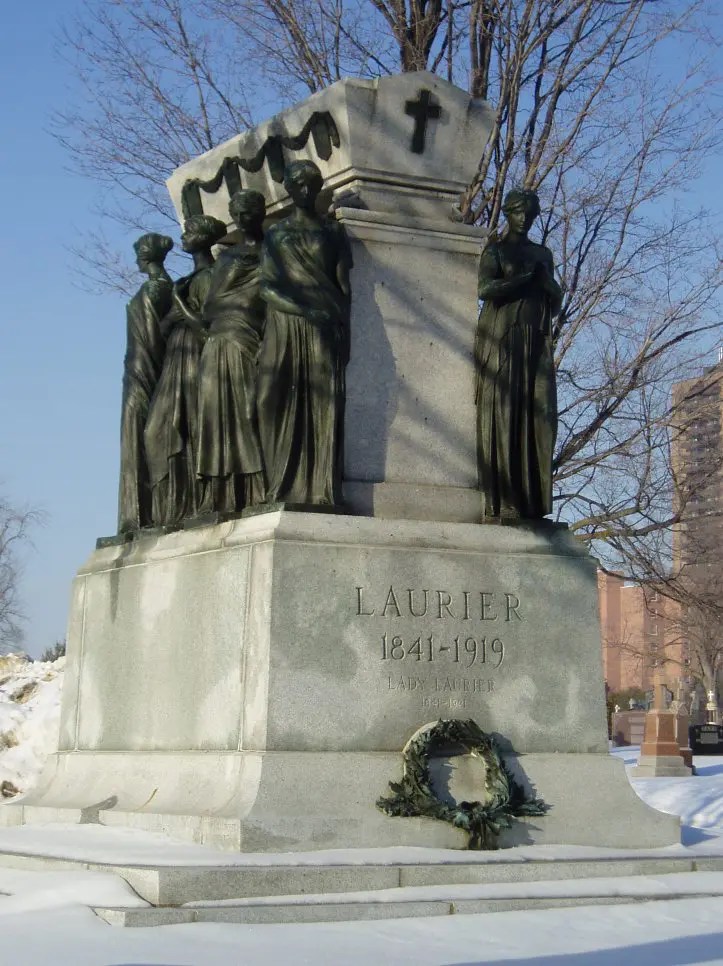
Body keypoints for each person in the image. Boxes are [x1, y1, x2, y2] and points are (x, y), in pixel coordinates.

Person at [258, 160, 352, 506]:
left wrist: (343, 326)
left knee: (322, 402)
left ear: (317, 188)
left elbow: (344, 285)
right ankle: (281, 484)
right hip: (286, 324)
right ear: (290, 190)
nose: (303, 189)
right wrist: (300, 309)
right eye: (297, 183)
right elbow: (266, 286)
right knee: (272, 400)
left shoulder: (332, 232)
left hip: (324, 323)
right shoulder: (276, 234)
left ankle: (320, 489)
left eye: (310, 183)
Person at [475, 188, 562, 520]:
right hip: (504, 339)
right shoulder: (496, 252)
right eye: (518, 212)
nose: (524, 219)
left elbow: (554, 303)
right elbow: (485, 289)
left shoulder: (543, 254)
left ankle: (532, 501)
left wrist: (547, 285)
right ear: (508, 214)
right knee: (507, 415)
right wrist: (525, 280)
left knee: (539, 416)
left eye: (529, 213)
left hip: (536, 343)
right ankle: (506, 499)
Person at [144, 214, 227, 526]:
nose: (185, 234)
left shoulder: (212, 277)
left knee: (192, 428)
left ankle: (192, 502)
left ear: (205, 238)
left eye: (191, 230)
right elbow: (164, 327)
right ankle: (172, 508)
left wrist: (180, 306)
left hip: (196, 358)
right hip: (175, 360)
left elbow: (209, 324)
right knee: (157, 431)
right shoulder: (183, 282)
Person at [196, 190, 267, 512]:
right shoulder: (227, 258)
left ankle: (257, 488)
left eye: (247, 212)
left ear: (261, 213)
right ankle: (221, 493)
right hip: (221, 340)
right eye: (236, 214)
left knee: (247, 411)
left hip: (247, 338)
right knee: (215, 417)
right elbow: (211, 305)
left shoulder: (273, 251)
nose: (241, 219)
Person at [118, 232, 174, 534]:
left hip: (144, 373)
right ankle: (134, 518)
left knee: (139, 437)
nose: (138, 254)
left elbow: (155, 341)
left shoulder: (158, 288)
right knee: (133, 439)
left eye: (142, 249)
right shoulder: (153, 287)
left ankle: (143, 516)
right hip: (135, 371)